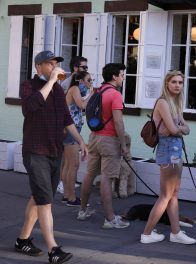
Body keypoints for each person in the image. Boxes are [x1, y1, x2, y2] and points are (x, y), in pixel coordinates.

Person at [16, 50, 88, 264]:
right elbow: (30, 107)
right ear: (38, 67)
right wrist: (51, 82)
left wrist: (81, 141)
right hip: (35, 150)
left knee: (39, 196)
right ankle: (53, 250)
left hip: (54, 150)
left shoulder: (57, 90)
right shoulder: (29, 86)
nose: (54, 67)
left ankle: (23, 240)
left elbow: (66, 118)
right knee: (45, 201)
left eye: (55, 64)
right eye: (49, 64)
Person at [140, 70, 196, 245]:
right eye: (174, 82)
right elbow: (174, 129)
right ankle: (147, 233)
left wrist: (179, 128)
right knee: (165, 195)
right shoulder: (164, 102)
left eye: (180, 82)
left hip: (175, 150)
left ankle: (175, 232)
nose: (177, 85)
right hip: (168, 150)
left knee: (174, 194)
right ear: (166, 84)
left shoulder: (174, 103)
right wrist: (179, 128)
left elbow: (186, 128)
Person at [77, 63, 130, 229]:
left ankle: (82, 211)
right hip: (109, 140)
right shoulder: (115, 94)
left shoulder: (97, 90)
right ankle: (110, 219)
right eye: (121, 75)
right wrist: (123, 144)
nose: (123, 77)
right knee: (107, 178)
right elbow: (118, 121)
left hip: (94, 137)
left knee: (89, 174)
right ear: (114, 77)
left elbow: (86, 108)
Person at [61, 71, 94, 206]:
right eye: (88, 80)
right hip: (71, 131)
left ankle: (67, 195)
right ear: (80, 81)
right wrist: (91, 94)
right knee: (73, 164)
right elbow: (82, 105)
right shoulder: (74, 88)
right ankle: (72, 198)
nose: (90, 83)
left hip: (72, 129)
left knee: (69, 165)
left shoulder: (75, 90)